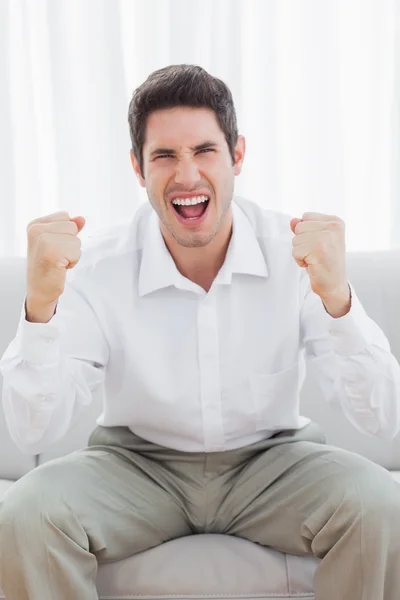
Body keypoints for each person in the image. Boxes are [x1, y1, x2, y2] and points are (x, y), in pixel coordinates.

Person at [0, 64, 400, 600]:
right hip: (138, 464)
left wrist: (339, 302)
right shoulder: (96, 269)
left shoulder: (298, 256)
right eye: (164, 156)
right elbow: (31, 434)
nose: (186, 176)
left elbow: (384, 416)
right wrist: (40, 309)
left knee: (379, 505)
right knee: (27, 512)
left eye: (204, 151)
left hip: (272, 463)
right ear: (139, 170)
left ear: (236, 155)